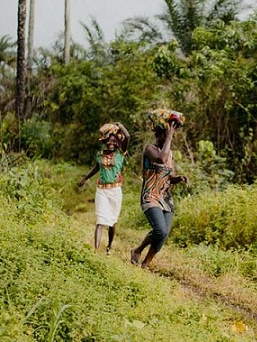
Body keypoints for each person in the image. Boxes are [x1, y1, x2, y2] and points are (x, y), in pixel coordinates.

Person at [130, 109, 188, 269]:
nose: (169, 138)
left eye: (170, 136)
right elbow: (161, 159)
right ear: (158, 135)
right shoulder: (150, 149)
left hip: (166, 198)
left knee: (164, 234)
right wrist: (169, 136)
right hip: (150, 196)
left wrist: (180, 178)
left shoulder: (171, 154)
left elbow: (169, 176)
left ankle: (145, 265)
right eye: (166, 135)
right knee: (160, 229)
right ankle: (138, 250)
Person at [78, 122, 130, 254]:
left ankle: (109, 246)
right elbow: (97, 168)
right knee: (100, 221)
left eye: (114, 141)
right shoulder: (100, 154)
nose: (111, 143)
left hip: (115, 191)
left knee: (112, 222)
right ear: (105, 141)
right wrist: (85, 178)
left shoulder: (120, 153)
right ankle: (95, 251)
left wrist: (119, 125)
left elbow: (128, 137)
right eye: (109, 141)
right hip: (101, 190)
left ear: (117, 143)